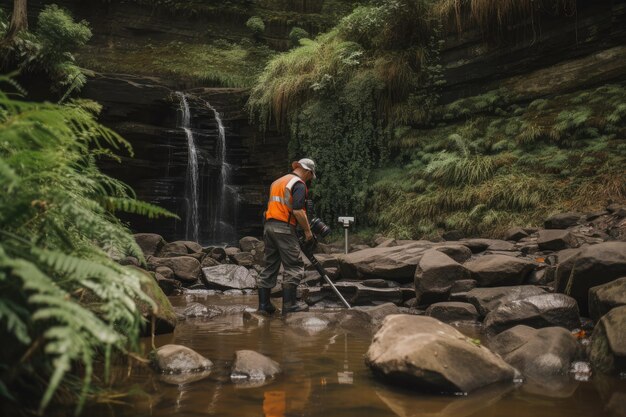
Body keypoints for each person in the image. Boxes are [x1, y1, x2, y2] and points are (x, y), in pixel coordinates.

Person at [257, 158, 317, 315]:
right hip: (284, 227)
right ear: (307, 171)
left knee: (270, 265)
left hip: (269, 226)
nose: (310, 179)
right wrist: (307, 231)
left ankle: (264, 306)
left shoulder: (277, 182)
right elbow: (297, 210)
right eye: (311, 176)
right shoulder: (298, 184)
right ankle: (289, 306)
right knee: (294, 266)